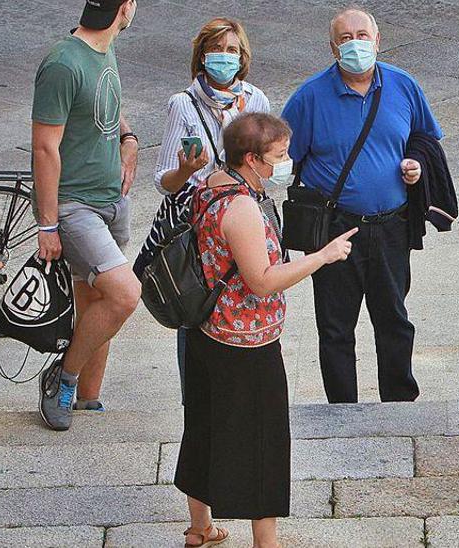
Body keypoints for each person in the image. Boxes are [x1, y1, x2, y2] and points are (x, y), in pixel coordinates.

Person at [174, 112, 356, 548]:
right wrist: (323, 257)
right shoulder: (241, 207)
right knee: (262, 441)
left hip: (205, 330)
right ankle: (266, 542)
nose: (286, 161)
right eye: (279, 155)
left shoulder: (210, 185)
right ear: (252, 159)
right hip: (246, 341)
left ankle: (200, 527)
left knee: (203, 424)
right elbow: (263, 280)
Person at [281, 7, 442, 404]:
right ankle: (342, 409)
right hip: (334, 228)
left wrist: (415, 165)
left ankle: (400, 405)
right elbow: (284, 158)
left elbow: (425, 138)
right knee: (335, 328)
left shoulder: (403, 86)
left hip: (391, 226)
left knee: (395, 321)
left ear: (377, 40)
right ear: (333, 47)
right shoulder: (309, 97)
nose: (356, 44)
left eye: (362, 36)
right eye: (346, 38)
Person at [133, 17, 272, 403]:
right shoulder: (183, 104)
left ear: (242, 57)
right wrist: (187, 170)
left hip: (243, 221)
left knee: (247, 296)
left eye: (232, 50)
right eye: (217, 49)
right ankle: (195, 396)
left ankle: (243, 394)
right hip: (199, 228)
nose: (224, 57)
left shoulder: (256, 101)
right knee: (196, 305)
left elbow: (268, 168)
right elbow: (164, 181)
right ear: (202, 56)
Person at [32, 0, 140, 430]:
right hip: (75, 205)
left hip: (112, 200)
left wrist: (128, 139)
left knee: (95, 302)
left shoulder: (104, 47)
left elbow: (108, 104)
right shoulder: (62, 63)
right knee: (123, 294)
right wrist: (47, 223)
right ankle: (63, 376)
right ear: (126, 7)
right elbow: (44, 148)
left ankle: (86, 400)